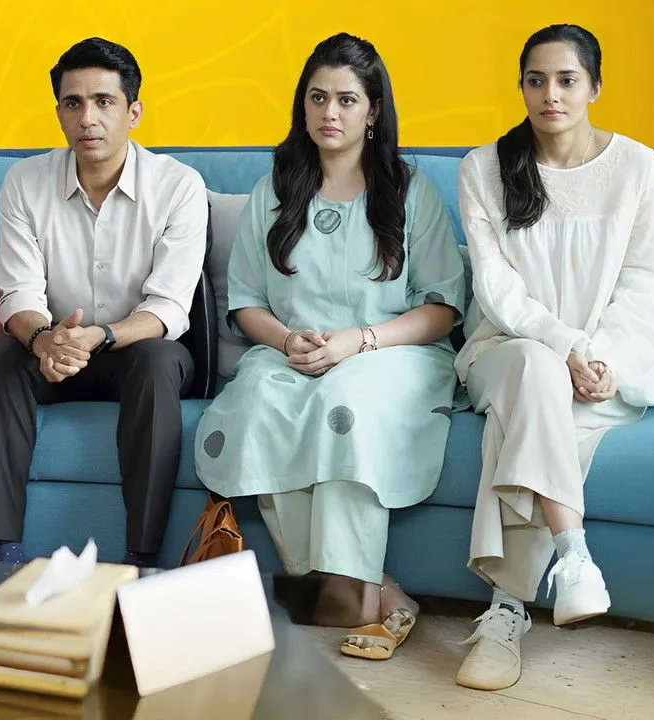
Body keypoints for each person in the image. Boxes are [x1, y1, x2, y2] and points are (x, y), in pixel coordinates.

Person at [194, 33, 465, 660]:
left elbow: (441, 307)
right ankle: (364, 592)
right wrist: (289, 339)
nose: (330, 113)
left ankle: (347, 584)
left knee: (342, 402)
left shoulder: (410, 192)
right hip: (290, 353)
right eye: (317, 98)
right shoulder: (275, 190)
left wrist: (358, 342)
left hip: (391, 352)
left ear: (374, 110)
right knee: (262, 401)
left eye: (347, 99)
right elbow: (246, 303)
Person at [453, 24, 654, 691]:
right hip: (504, 348)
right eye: (536, 80)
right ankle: (574, 556)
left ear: (595, 87)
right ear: (521, 87)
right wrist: (566, 348)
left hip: (601, 361)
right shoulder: (483, 168)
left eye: (566, 80)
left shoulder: (636, 166)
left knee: (530, 409)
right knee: (533, 369)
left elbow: (647, 282)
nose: (550, 94)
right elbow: (498, 290)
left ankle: (505, 610)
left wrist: (602, 358)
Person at [0, 37, 208, 567]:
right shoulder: (25, 182)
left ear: (133, 112)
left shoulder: (178, 186)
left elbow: (169, 307)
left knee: (157, 361)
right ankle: (3, 554)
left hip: (137, 350)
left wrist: (100, 336)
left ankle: (141, 557)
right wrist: (43, 340)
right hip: (54, 352)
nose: (87, 118)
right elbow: (17, 293)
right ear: (58, 113)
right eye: (73, 103)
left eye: (104, 101)